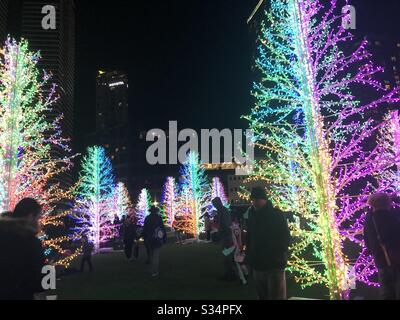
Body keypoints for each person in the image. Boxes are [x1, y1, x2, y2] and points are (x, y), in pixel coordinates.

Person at [245, 187, 290, 300]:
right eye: (253, 199)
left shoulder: (276, 214)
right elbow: (249, 237)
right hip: (258, 264)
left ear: (264, 199)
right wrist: (249, 256)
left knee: (276, 296)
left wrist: (278, 254)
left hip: (274, 264)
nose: (254, 202)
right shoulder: (252, 215)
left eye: (257, 199)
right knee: (262, 296)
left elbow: (285, 237)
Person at [0, 198, 45, 300]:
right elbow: (39, 284)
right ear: (30, 217)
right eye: (38, 218)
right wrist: (50, 271)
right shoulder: (31, 243)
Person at [364, 193, 400, 300]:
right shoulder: (390, 217)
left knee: (386, 292)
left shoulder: (369, 219)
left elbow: (367, 242)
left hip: (380, 260)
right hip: (397, 260)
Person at [212, 197, 235, 281]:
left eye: (214, 204)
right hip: (225, 235)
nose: (214, 206)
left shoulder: (223, 211)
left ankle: (231, 273)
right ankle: (229, 272)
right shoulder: (222, 210)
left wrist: (220, 232)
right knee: (226, 255)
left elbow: (225, 224)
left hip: (226, 236)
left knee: (227, 255)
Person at [143, 206, 167, 277]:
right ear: (156, 211)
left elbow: (145, 229)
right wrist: (164, 237)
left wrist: (143, 236)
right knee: (156, 255)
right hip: (157, 238)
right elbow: (162, 228)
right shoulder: (158, 218)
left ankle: (152, 270)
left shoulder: (147, 218)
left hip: (149, 239)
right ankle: (155, 271)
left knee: (151, 254)